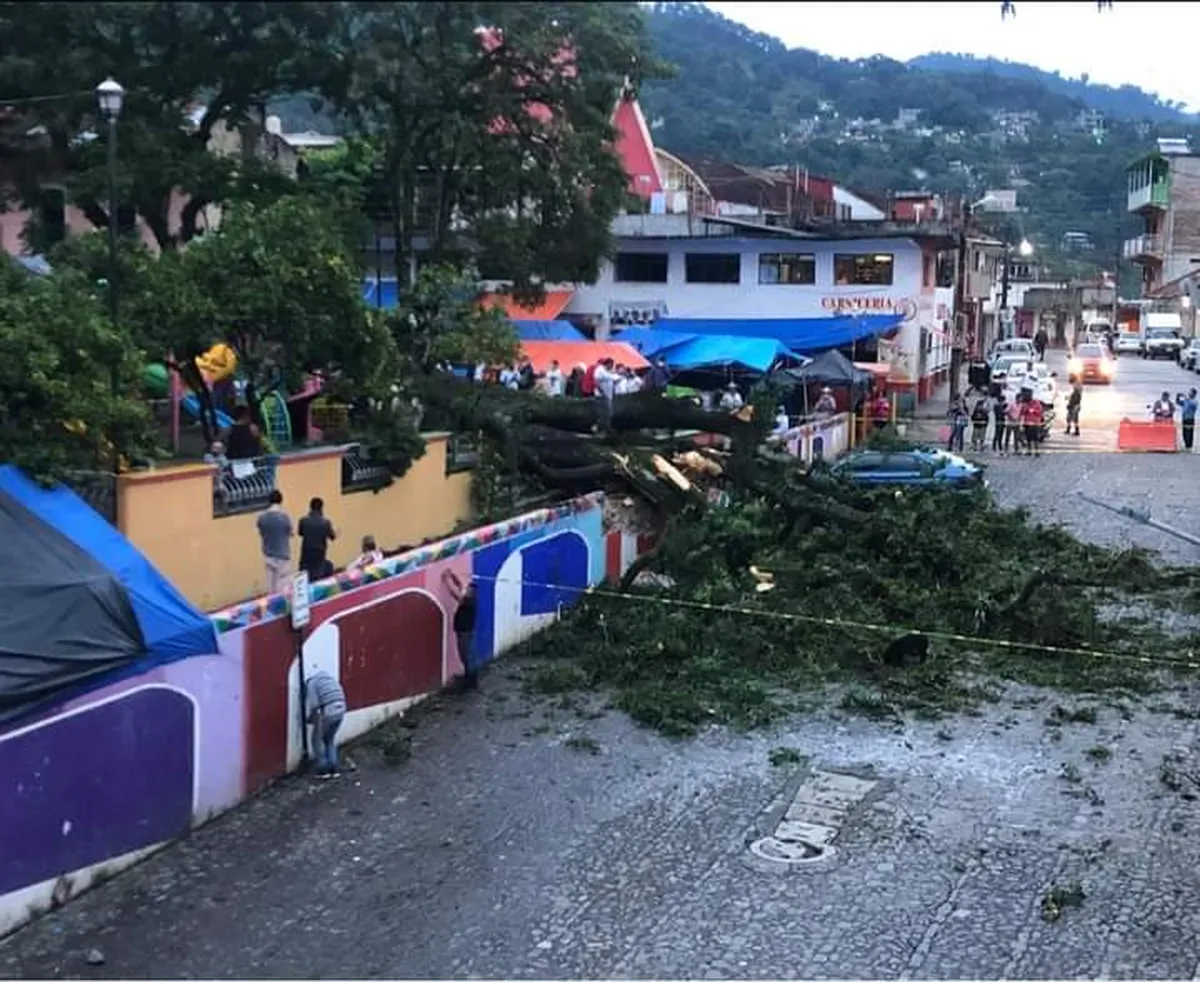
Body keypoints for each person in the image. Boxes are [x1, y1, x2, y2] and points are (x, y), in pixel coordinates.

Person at [305, 669, 347, 777]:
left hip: (329, 710)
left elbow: (315, 706)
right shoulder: (330, 679)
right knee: (329, 738)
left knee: (316, 739)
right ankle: (333, 768)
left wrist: (310, 719)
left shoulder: (312, 683)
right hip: (341, 709)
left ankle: (323, 769)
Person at [443, 570, 478, 690]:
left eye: (468, 590)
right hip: (464, 630)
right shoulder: (469, 597)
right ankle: (469, 678)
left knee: (465, 655)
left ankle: (470, 681)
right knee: (465, 655)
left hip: (464, 632)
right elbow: (460, 586)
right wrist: (452, 575)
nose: (466, 589)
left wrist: (447, 581)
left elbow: (455, 594)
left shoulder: (468, 600)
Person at [256, 490, 292, 595]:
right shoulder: (284, 517)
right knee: (282, 586)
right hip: (282, 555)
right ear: (281, 501)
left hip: (268, 554)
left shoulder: (262, 517)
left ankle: (271, 608)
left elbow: (260, 532)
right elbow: (290, 532)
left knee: (270, 587)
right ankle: (282, 608)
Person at [297, 497, 337, 580]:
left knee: (304, 574)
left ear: (310, 507)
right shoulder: (326, 523)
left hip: (306, 552)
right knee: (318, 574)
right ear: (321, 508)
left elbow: (300, 533)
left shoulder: (303, 521)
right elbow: (332, 537)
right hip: (319, 552)